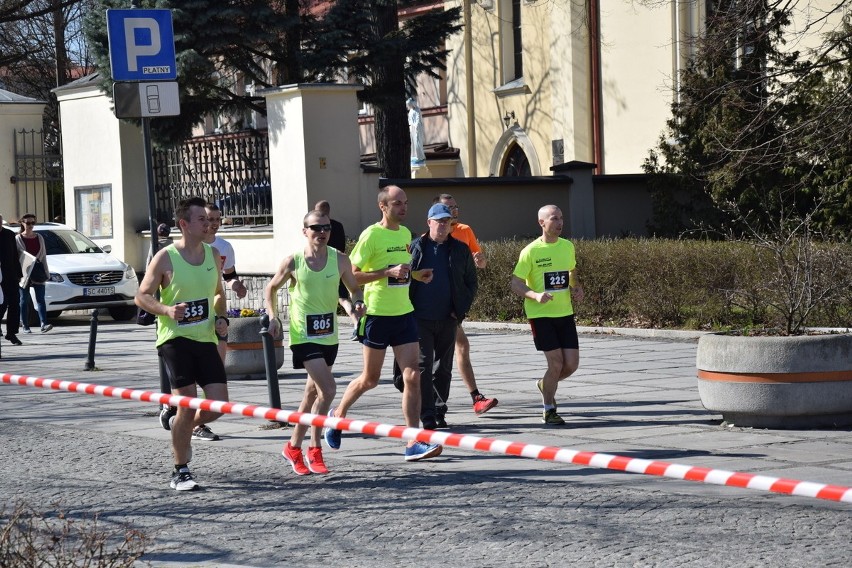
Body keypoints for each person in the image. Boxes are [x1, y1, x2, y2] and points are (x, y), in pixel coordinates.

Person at [322, 185, 442, 462]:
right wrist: (387, 272)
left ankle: (414, 440)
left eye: (406, 203)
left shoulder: (405, 235)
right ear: (383, 206)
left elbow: (402, 273)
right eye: (397, 203)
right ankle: (337, 416)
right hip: (377, 316)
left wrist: (417, 275)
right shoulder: (371, 235)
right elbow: (351, 275)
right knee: (370, 379)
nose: (404, 207)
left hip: (404, 314)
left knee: (413, 375)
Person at [135, 196, 231, 491]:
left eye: (210, 219)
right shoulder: (165, 257)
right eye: (202, 219)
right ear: (184, 224)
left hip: (205, 338)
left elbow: (217, 292)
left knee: (217, 406)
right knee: (188, 406)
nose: (209, 223)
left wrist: (222, 317)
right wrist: (166, 310)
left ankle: (180, 422)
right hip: (175, 339)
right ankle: (180, 469)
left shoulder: (214, 255)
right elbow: (141, 296)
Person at [264, 209, 366, 475]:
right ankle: (314, 447)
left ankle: (292, 447)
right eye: (316, 228)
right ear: (305, 231)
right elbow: (271, 288)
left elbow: (354, 288)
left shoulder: (340, 260)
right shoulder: (294, 262)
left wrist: (357, 303)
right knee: (328, 391)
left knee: (311, 395)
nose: (322, 233)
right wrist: (273, 316)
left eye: (326, 228)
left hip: (328, 335)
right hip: (303, 334)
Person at [393, 203, 477, 430]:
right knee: (423, 366)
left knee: (443, 368)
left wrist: (460, 310)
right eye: (438, 221)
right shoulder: (415, 247)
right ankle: (427, 414)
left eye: (446, 222)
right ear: (429, 223)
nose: (442, 226)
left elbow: (471, 282)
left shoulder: (460, 249)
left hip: (448, 318)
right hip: (418, 318)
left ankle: (439, 409)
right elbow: (402, 278)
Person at [510, 204, 584, 425]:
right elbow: (515, 283)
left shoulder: (567, 246)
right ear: (542, 223)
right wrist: (534, 295)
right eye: (554, 219)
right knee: (556, 364)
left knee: (571, 365)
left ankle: (545, 385)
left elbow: (571, 271)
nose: (560, 222)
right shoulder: (531, 251)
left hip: (564, 313)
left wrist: (576, 286)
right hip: (541, 316)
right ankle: (549, 408)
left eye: (561, 218)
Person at [435, 193, 498, 415]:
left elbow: (479, 261)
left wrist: (480, 261)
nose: (452, 211)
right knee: (454, 348)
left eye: (455, 207)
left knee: (454, 347)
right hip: (439, 303)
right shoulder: (432, 235)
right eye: (447, 208)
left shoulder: (465, 230)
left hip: (457, 301)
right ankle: (470, 398)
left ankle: (433, 398)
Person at [314, 200, 359, 340]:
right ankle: (356, 322)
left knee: (323, 297)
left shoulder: (316, 227)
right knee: (343, 298)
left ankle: (322, 328)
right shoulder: (338, 226)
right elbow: (342, 246)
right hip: (339, 264)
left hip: (322, 266)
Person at [16, 213, 52, 334]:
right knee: (24, 300)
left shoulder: (39, 237)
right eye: (28, 223)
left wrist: (46, 272)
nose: (31, 225)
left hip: (37, 271)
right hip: (24, 273)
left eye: (33, 223)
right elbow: (19, 256)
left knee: (40, 299)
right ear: (22, 223)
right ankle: (25, 325)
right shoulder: (18, 238)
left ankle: (44, 324)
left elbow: (43, 256)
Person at [0, 214, 24, 346]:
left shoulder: (9, 234)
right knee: (2, 305)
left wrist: (19, 273)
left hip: (10, 276)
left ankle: (11, 333)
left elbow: (15, 255)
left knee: (15, 304)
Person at [407, 98, 426, 166]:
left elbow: (418, 119)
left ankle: (420, 157)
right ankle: (413, 156)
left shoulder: (417, 110)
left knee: (417, 142)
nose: (408, 106)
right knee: (412, 143)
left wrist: (415, 126)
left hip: (417, 129)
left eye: (409, 104)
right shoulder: (410, 111)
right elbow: (409, 120)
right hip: (412, 129)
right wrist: (410, 125)